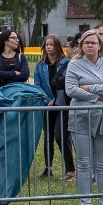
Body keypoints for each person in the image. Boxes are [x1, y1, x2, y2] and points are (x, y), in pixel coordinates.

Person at [65, 29, 103, 205]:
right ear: (81, 45)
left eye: (93, 43)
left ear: (100, 45)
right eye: (86, 42)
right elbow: (71, 90)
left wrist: (88, 88)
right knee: (84, 162)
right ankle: (85, 204)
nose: (90, 45)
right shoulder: (74, 64)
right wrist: (98, 96)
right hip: (80, 118)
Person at [34, 35, 75, 178]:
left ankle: (70, 168)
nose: (49, 47)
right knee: (48, 137)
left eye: (51, 44)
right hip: (47, 105)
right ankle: (48, 168)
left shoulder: (67, 63)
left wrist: (56, 98)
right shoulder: (40, 66)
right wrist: (47, 99)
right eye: (47, 45)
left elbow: (67, 84)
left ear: (57, 46)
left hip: (62, 104)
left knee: (61, 136)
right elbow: (37, 85)